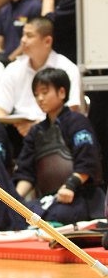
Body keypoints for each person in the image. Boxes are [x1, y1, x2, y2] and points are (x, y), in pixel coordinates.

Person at [13, 68, 105, 224]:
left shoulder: (77, 122)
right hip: (49, 199)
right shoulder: (36, 131)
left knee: (57, 216)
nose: (40, 98)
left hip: (80, 196)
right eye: (36, 94)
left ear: (61, 92)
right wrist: (14, 201)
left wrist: (70, 185)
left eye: (44, 92)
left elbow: (88, 162)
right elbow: (25, 172)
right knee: (16, 217)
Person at [0, 17, 82, 137]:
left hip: (56, 132)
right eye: (23, 35)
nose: (23, 40)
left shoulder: (68, 68)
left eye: (29, 36)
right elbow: (0, 108)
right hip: (17, 132)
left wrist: (36, 127)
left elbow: (71, 109)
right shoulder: (13, 68)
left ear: (47, 41)